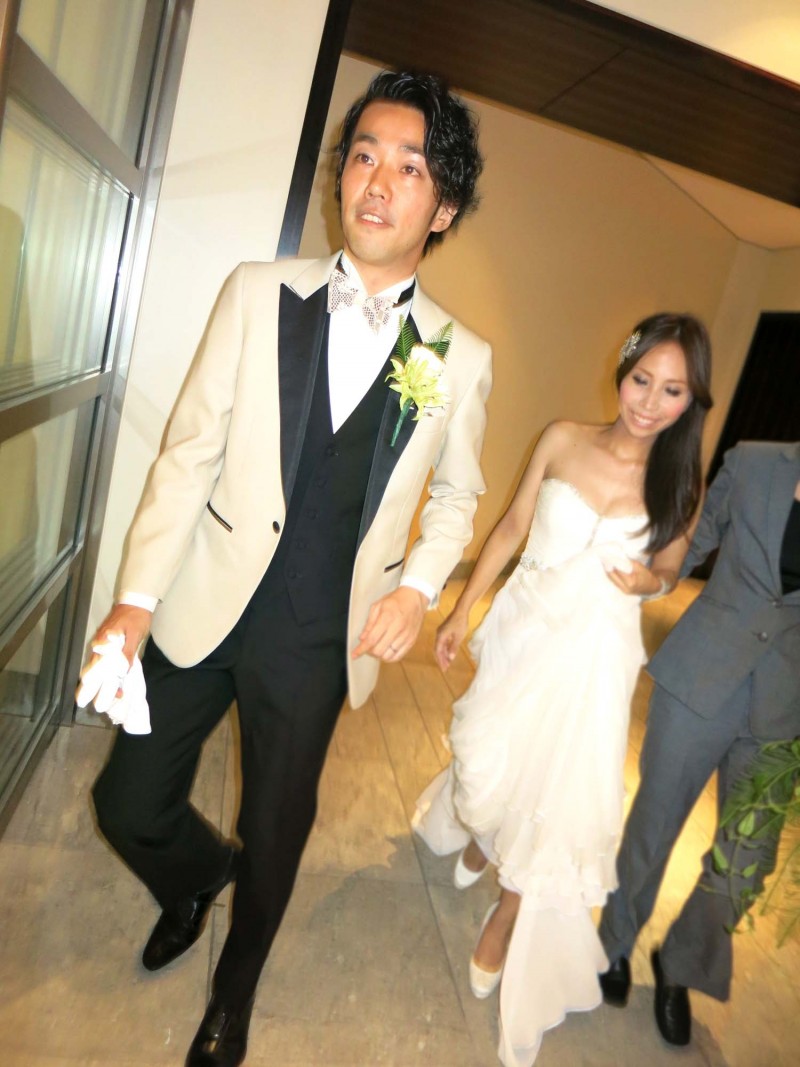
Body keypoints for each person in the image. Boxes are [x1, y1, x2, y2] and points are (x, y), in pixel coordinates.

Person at [88, 70, 491, 1067]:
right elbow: (187, 455)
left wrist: (417, 586)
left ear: (442, 206)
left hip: (318, 636)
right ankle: (195, 874)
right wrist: (134, 600)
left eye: (409, 167)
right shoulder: (255, 291)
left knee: (276, 831)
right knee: (126, 801)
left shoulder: (454, 356)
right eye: (363, 155)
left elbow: (455, 495)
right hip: (204, 599)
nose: (376, 181)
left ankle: (232, 1000)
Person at [413, 313, 713, 1067]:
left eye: (672, 390)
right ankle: (483, 833)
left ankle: (509, 916)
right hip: (523, 631)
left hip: (595, 656)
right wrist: (462, 607)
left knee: (556, 787)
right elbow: (511, 526)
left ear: (691, 400)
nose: (649, 402)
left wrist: (650, 583)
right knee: (487, 757)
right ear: (623, 369)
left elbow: (670, 568)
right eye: (642, 379)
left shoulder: (681, 482)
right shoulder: (562, 437)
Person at [598, 439, 800, 1047]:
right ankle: (613, 943)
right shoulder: (756, 463)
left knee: (746, 862)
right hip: (701, 673)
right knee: (655, 824)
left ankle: (681, 963)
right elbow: (691, 543)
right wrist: (646, 581)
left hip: (785, 706)